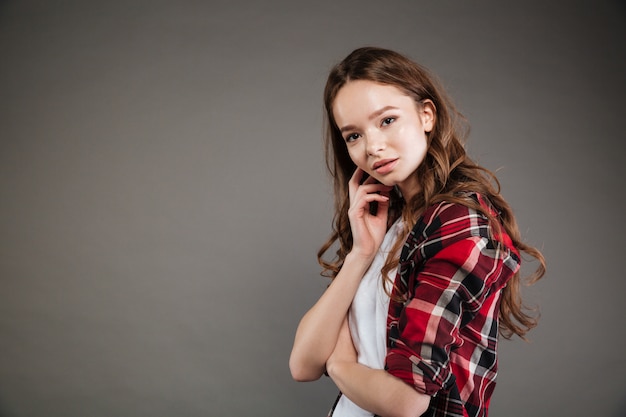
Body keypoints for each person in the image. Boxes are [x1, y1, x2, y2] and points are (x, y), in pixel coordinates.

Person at [289, 47, 545, 417]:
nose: (372, 146)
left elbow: (406, 401)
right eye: (353, 136)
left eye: (387, 121)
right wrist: (361, 253)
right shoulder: (384, 219)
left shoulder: (461, 227)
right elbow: (302, 364)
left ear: (426, 115)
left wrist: (340, 365)